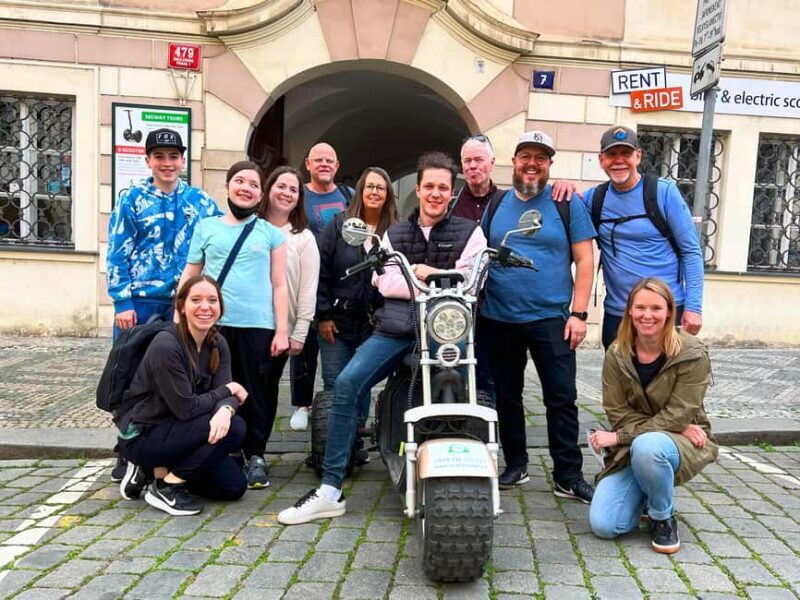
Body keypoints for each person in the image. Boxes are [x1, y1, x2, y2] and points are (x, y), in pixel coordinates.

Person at [277, 151, 487, 525]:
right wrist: (439, 278)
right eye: (429, 186)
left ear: (451, 191)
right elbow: (383, 280)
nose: (435, 193)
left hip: (444, 335)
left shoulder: (470, 232)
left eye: (443, 187)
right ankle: (330, 489)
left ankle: (471, 471)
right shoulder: (396, 232)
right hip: (395, 329)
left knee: (472, 387)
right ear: (418, 190)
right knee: (347, 383)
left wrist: (420, 273)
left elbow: (472, 281)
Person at [478, 130, 596, 502]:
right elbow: (479, 253)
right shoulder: (496, 205)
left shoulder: (566, 203)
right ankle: (516, 464)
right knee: (507, 397)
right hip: (498, 317)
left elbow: (586, 260)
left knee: (560, 397)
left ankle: (568, 475)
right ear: (513, 162)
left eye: (540, 158)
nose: (532, 164)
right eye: (525, 156)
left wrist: (579, 313)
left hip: (552, 319)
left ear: (548, 165)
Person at [106, 127, 221, 481]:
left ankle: (163, 448)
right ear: (148, 160)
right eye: (159, 157)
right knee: (130, 379)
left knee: (175, 377)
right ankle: (127, 450)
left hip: (183, 306)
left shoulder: (201, 202)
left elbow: (219, 242)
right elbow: (117, 250)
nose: (167, 163)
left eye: (173, 157)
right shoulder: (132, 199)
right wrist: (122, 300)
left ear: (183, 160)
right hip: (139, 304)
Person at [180, 161, 289, 490]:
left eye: (253, 184)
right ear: (227, 187)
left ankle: (256, 453)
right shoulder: (207, 227)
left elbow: (279, 284)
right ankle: (224, 448)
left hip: (258, 325)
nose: (246, 188)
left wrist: (281, 329)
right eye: (239, 181)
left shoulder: (272, 233)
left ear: (260, 194)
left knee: (257, 392)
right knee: (215, 390)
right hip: (213, 325)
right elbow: (191, 274)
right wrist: (179, 317)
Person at [589, 277, 717, 554]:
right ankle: (648, 489)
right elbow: (618, 413)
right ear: (630, 312)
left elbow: (681, 412)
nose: (647, 315)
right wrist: (675, 427)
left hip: (674, 445)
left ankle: (662, 516)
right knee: (604, 525)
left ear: (670, 311)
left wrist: (622, 437)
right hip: (655, 438)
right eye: (640, 307)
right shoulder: (617, 353)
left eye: (656, 308)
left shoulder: (692, 352)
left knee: (648, 446)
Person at [116, 275, 248, 516]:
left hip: (182, 430)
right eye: (196, 299)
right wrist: (228, 392)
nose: (205, 307)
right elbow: (186, 407)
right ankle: (164, 486)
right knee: (236, 428)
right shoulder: (166, 346)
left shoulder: (217, 343)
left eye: (212, 300)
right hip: (146, 434)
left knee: (233, 487)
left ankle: (161, 472)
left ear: (220, 306)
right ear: (181, 307)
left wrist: (225, 409)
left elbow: (225, 394)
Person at [583, 126, 704, 349]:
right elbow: (565, 212)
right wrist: (562, 187)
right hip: (619, 313)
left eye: (625, 154)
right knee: (619, 382)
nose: (618, 161)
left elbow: (691, 251)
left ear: (638, 156)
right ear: (601, 160)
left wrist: (694, 307)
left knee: (664, 382)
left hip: (663, 313)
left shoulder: (663, 192)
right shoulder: (594, 199)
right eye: (611, 155)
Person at [316, 166, 398, 462]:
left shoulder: (396, 231)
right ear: (360, 192)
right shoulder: (339, 226)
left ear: (388, 195)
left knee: (362, 381)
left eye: (381, 187)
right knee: (337, 383)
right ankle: (334, 445)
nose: (375, 192)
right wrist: (323, 315)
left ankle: (355, 442)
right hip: (337, 321)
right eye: (370, 187)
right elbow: (322, 270)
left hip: (377, 322)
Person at [289, 142, 352, 430]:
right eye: (318, 160)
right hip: (302, 279)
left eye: (330, 160)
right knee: (302, 344)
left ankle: (336, 403)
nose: (324, 164)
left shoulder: (348, 197)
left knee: (330, 341)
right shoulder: (298, 195)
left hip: (335, 283)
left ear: (337, 166)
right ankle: (302, 404)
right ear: (308, 164)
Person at [257, 166, 320, 431]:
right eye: (281, 186)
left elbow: (308, 288)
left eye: (293, 189)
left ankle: (257, 449)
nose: (286, 193)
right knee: (243, 387)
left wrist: (300, 332)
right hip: (246, 324)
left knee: (267, 389)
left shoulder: (303, 238)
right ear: (268, 189)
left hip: (280, 329)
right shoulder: (250, 228)